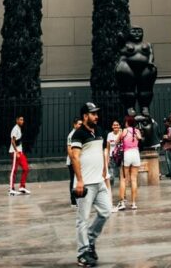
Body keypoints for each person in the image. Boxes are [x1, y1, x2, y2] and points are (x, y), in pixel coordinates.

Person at [69, 102, 111, 267]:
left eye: (96, 113)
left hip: (99, 182)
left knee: (106, 212)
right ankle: (82, 254)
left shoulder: (99, 131)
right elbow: (75, 157)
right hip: (85, 185)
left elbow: (101, 152)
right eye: (93, 113)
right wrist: (79, 180)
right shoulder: (78, 134)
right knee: (83, 219)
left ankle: (90, 240)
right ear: (85, 116)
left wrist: (104, 170)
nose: (96, 116)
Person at [116, 114, 142, 211]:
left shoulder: (124, 131)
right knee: (134, 180)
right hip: (136, 154)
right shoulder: (137, 131)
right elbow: (140, 139)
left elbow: (116, 141)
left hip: (127, 154)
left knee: (123, 179)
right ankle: (134, 203)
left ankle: (122, 202)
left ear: (127, 122)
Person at [9, 115, 30, 195]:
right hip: (15, 152)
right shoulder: (15, 129)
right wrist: (16, 151)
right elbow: (13, 141)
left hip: (19, 152)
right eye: (20, 120)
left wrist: (20, 152)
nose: (22, 121)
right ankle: (11, 189)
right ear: (17, 120)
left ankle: (22, 187)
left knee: (26, 168)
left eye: (23, 120)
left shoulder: (19, 128)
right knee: (14, 170)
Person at [106, 119, 123, 205]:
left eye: (117, 125)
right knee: (111, 177)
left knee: (121, 178)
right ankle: (110, 195)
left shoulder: (122, 133)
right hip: (112, 158)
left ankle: (123, 196)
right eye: (114, 125)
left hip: (120, 157)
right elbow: (108, 147)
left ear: (119, 126)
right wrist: (108, 157)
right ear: (112, 126)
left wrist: (120, 133)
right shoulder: (109, 135)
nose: (115, 126)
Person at [67, 116, 81, 207]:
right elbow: (69, 149)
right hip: (72, 162)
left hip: (78, 161)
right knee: (73, 180)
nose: (81, 125)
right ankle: (73, 201)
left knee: (77, 180)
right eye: (79, 124)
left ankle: (79, 199)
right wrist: (73, 161)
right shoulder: (71, 135)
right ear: (74, 124)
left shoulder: (79, 134)